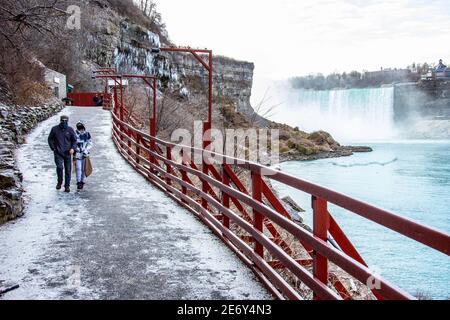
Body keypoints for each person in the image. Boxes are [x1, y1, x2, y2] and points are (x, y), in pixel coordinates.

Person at [48, 115, 77, 193]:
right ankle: (59, 182)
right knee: (59, 167)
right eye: (63, 121)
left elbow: (74, 141)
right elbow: (50, 139)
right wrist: (53, 148)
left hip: (68, 153)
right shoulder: (54, 129)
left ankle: (67, 186)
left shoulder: (70, 130)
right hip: (58, 152)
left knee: (68, 170)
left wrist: (72, 148)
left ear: (67, 121)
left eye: (66, 121)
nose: (64, 122)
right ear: (60, 121)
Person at [74, 121, 93, 190]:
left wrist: (86, 149)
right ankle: (78, 181)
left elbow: (90, 143)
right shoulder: (74, 134)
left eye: (81, 127)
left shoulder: (87, 134)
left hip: (85, 153)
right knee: (78, 168)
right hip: (77, 153)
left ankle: (82, 181)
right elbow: (73, 143)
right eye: (79, 127)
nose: (81, 129)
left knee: (83, 168)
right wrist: (77, 149)